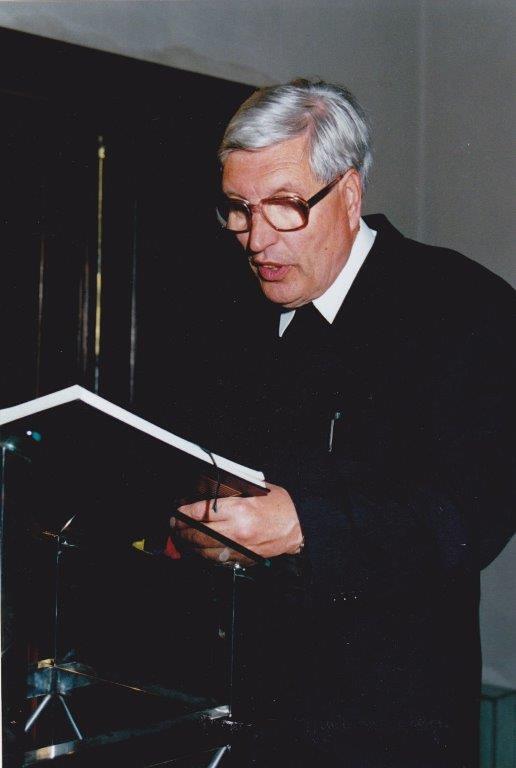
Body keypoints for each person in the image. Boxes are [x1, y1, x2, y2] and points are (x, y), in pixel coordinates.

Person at [172, 80, 516, 767]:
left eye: (285, 206)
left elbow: (470, 518)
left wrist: (304, 526)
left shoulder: (461, 307)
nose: (256, 239)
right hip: (239, 713)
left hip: (386, 726)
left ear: (350, 193)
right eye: (239, 209)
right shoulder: (229, 313)